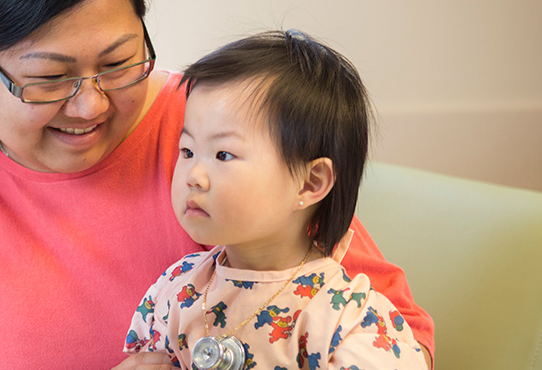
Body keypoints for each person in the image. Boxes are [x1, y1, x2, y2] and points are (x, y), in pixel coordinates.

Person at [0, 0, 435, 369]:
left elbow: (399, 330)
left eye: (117, 63)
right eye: (48, 79)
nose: (90, 104)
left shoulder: (215, 123)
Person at [122, 30, 428, 370]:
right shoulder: (178, 288)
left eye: (223, 155)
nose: (194, 175)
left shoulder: (345, 315)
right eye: (188, 150)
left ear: (310, 183)